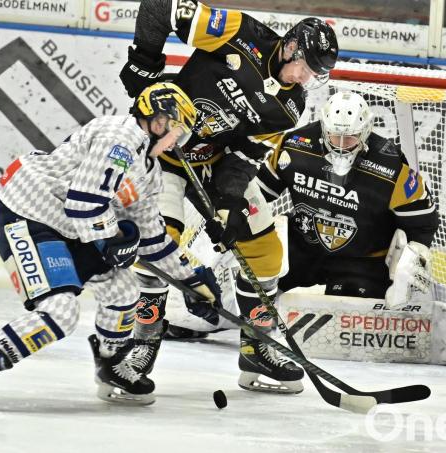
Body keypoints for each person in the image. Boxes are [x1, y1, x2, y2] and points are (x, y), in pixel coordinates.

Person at [0, 83, 223, 410]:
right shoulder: (120, 138)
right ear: (159, 122)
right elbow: (84, 203)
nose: (179, 143)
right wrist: (115, 239)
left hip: (69, 228)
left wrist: (192, 280)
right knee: (60, 312)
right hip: (28, 213)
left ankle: (111, 363)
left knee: (123, 293)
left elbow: (153, 237)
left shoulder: (148, 170)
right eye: (179, 133)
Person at [118, 0, 338, 394]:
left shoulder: (291, 107)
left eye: (313, 74)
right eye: (303, 66)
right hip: (165, 153)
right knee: (159, 245)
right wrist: (145, 62)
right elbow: (159, 7)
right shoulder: (239, 32)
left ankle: (256, 349)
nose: (304, 77)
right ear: (290, 47)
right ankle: (142, 343)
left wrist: (230, 201)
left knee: (266, 252)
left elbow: (245, 155)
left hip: (215, 163)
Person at [256, 91, 439, 303]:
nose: (341, 146)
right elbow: (259, 193)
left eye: (350, 138)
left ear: (365, 132)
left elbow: (423, 223)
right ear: (324, 129)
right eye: (335, 136)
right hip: (304, 250)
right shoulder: (294, 146)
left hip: (363, 260)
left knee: (349, 315)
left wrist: (412, 258)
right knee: (257, 282)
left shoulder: (392, 167)